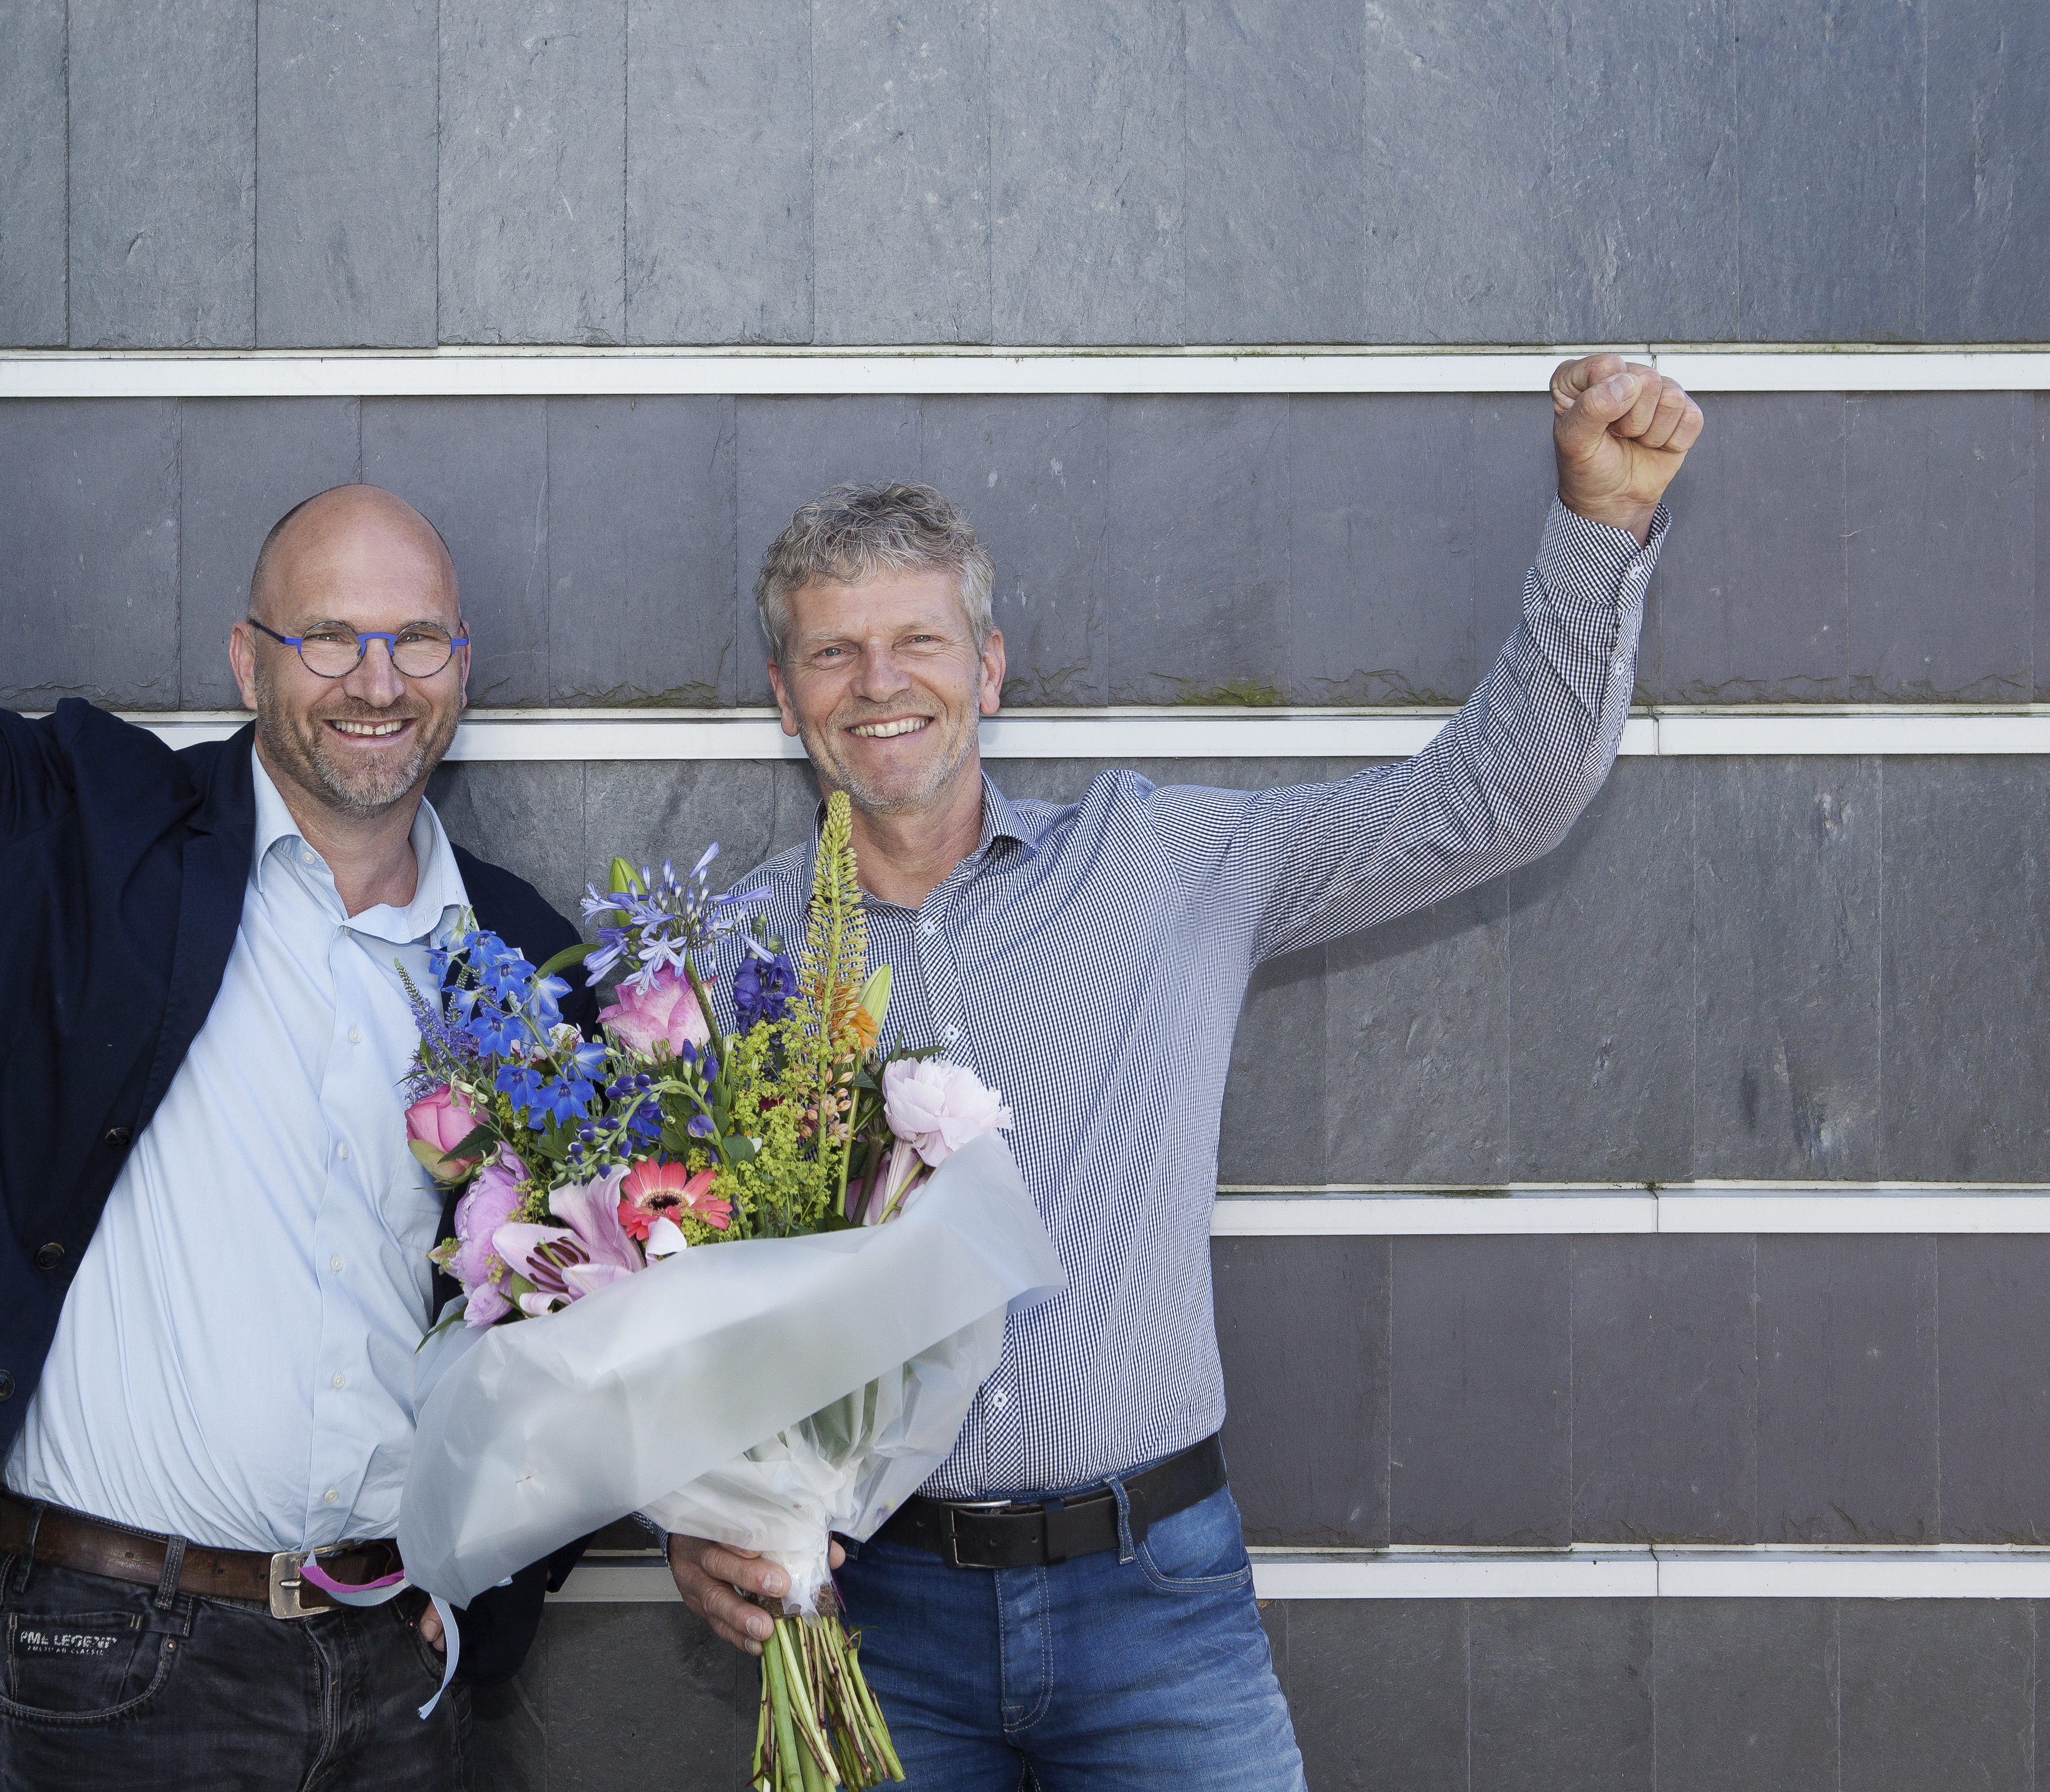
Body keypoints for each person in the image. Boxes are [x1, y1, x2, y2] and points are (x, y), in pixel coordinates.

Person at [0, 94, 587, 1790]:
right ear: (248, 661)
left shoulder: (523, 961)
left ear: (461, 663)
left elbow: (572, 1328)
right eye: (328, 636)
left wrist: (482, 1607)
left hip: (405, 1672)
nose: (374, 679)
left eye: (413, 639)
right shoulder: (76, 831)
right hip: (119, 1659)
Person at [669, 362, 1702, 1786]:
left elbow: (1497, 795)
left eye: (917, 639)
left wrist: (1601, 521)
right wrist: (694, 1511)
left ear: (987, 666)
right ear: (784, 698)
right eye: (834, 653)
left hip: (1153, 1596)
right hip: (873, 1609)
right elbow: (667, 1296)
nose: (879, 683)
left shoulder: (1164, 866)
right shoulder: (720, 969)